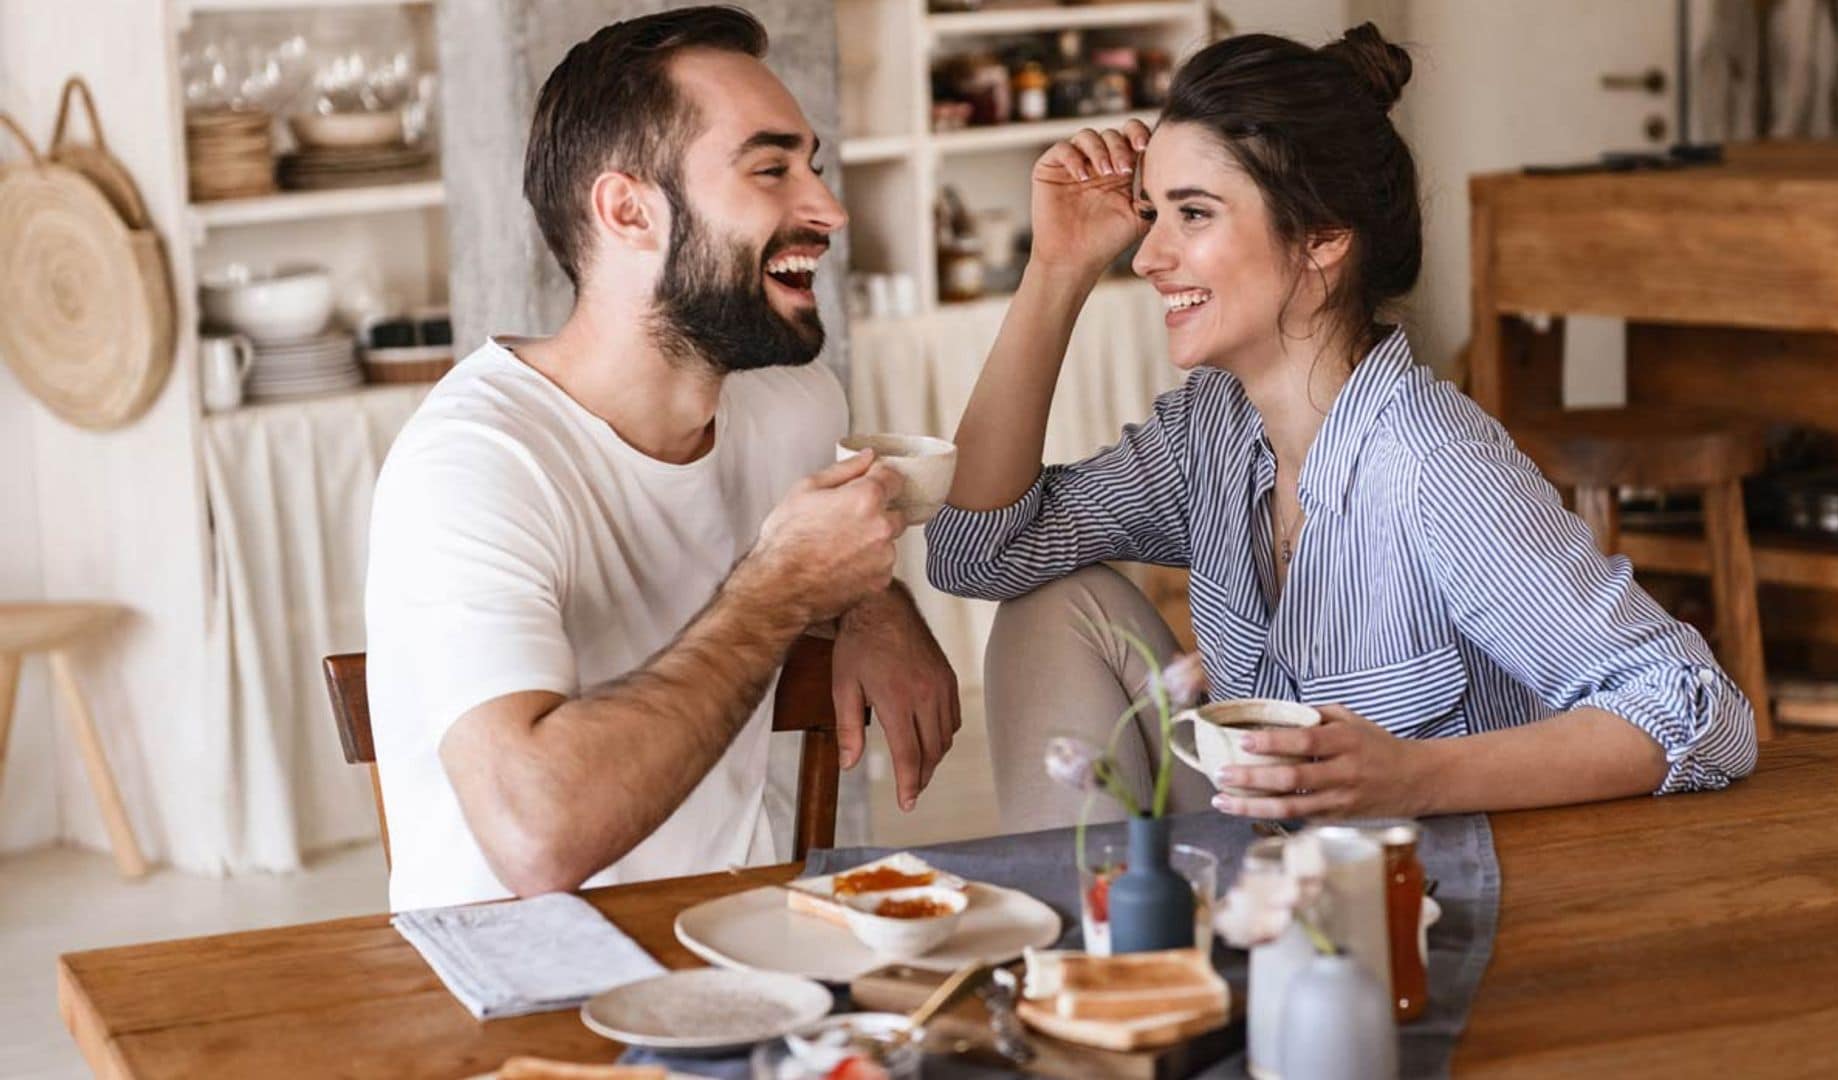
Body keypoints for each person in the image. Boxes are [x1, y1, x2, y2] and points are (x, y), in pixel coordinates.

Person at [924, 26, 1756, 832]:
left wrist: (1414, 778)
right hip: (1276, 880)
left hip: (1440, 900)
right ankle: (1102, 969)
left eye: (1195, 214)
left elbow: (1702, 712)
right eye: (1152, 212)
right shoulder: (1209, 435)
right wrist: (1056, 268)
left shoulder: (1434, 467)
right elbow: (976, 553)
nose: (1146, 256)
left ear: (1320, 239)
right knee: (1052, 602)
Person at [364, 6, 959, 912]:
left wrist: (876, 606)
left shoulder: (797, 408)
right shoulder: (474, 463)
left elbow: (828, 564)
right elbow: (536, 836)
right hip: (517, 990)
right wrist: (782, 591)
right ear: (628, 210)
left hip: (733, 945)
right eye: (771, 170)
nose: (828, 210)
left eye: (814, 168)